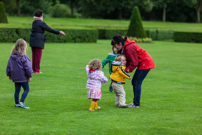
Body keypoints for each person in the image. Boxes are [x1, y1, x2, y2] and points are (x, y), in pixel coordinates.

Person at [111, 35, 156, 108]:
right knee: (134, 82)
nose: (115, 48)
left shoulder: (129, 47)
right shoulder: (125, 47)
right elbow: (128, 59)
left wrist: (125, 71)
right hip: (142, 63)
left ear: (120, 43)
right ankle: (135, 102)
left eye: (116, 46)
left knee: (137, 82)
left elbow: (134, 63)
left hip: (145, 63)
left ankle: (136, 104)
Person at [30, 10, 66, 74]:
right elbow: (50, 29)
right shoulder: (41, 23)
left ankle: (34, 70)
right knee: (38, 56)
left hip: (33, 40)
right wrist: (59, 32)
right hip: (38, 41)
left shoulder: (34, 22)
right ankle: (37, 70)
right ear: (41, 15)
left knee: (34, 56)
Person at [6, 38, 33, 109]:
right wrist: (29, 76)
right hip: (23, 77)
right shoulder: (24, 57)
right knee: (27, 89)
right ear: (24, 47)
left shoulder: (12, 56)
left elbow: (8, 65)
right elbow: (28, 68)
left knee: (17, 90)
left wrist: (9, 74)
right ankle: (21, 102)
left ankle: (17, 103)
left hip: (15, 76)